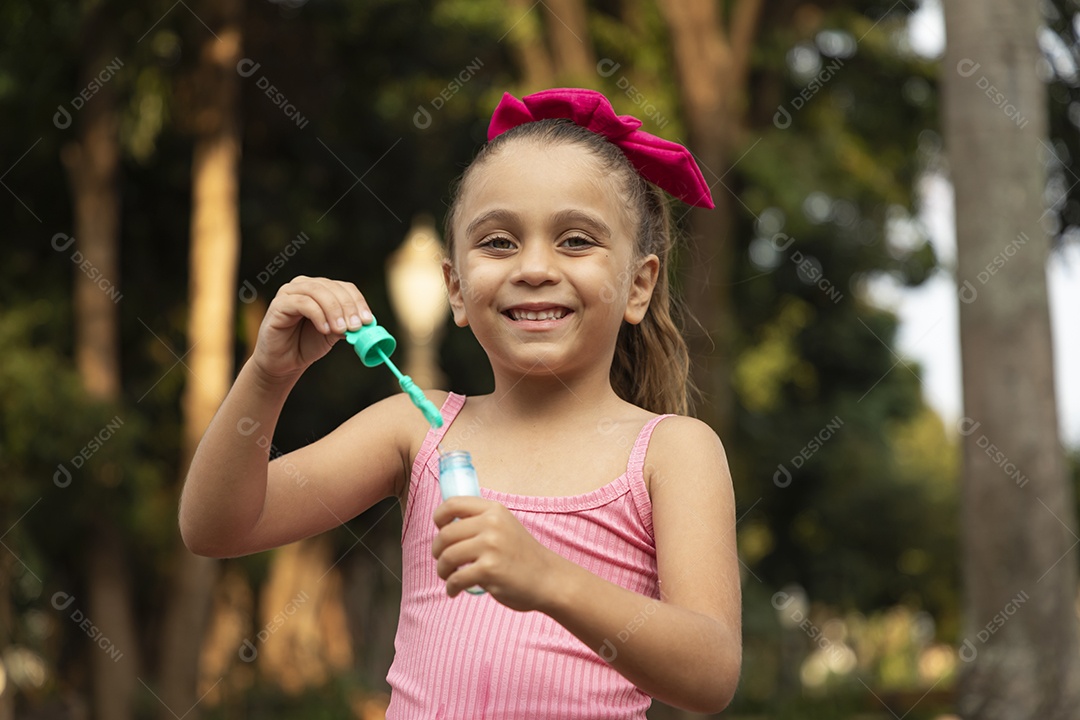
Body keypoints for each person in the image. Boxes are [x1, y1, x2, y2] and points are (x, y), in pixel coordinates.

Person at [180, 87, 741, 718]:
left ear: (639, 285)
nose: (533, 267)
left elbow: (711, 671)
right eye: (498, 242)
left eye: (577, 240)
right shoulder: (415, 432)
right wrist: (268, 375)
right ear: (455, 288)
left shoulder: (673, 451)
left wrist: (549, 579)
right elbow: (216, 527)